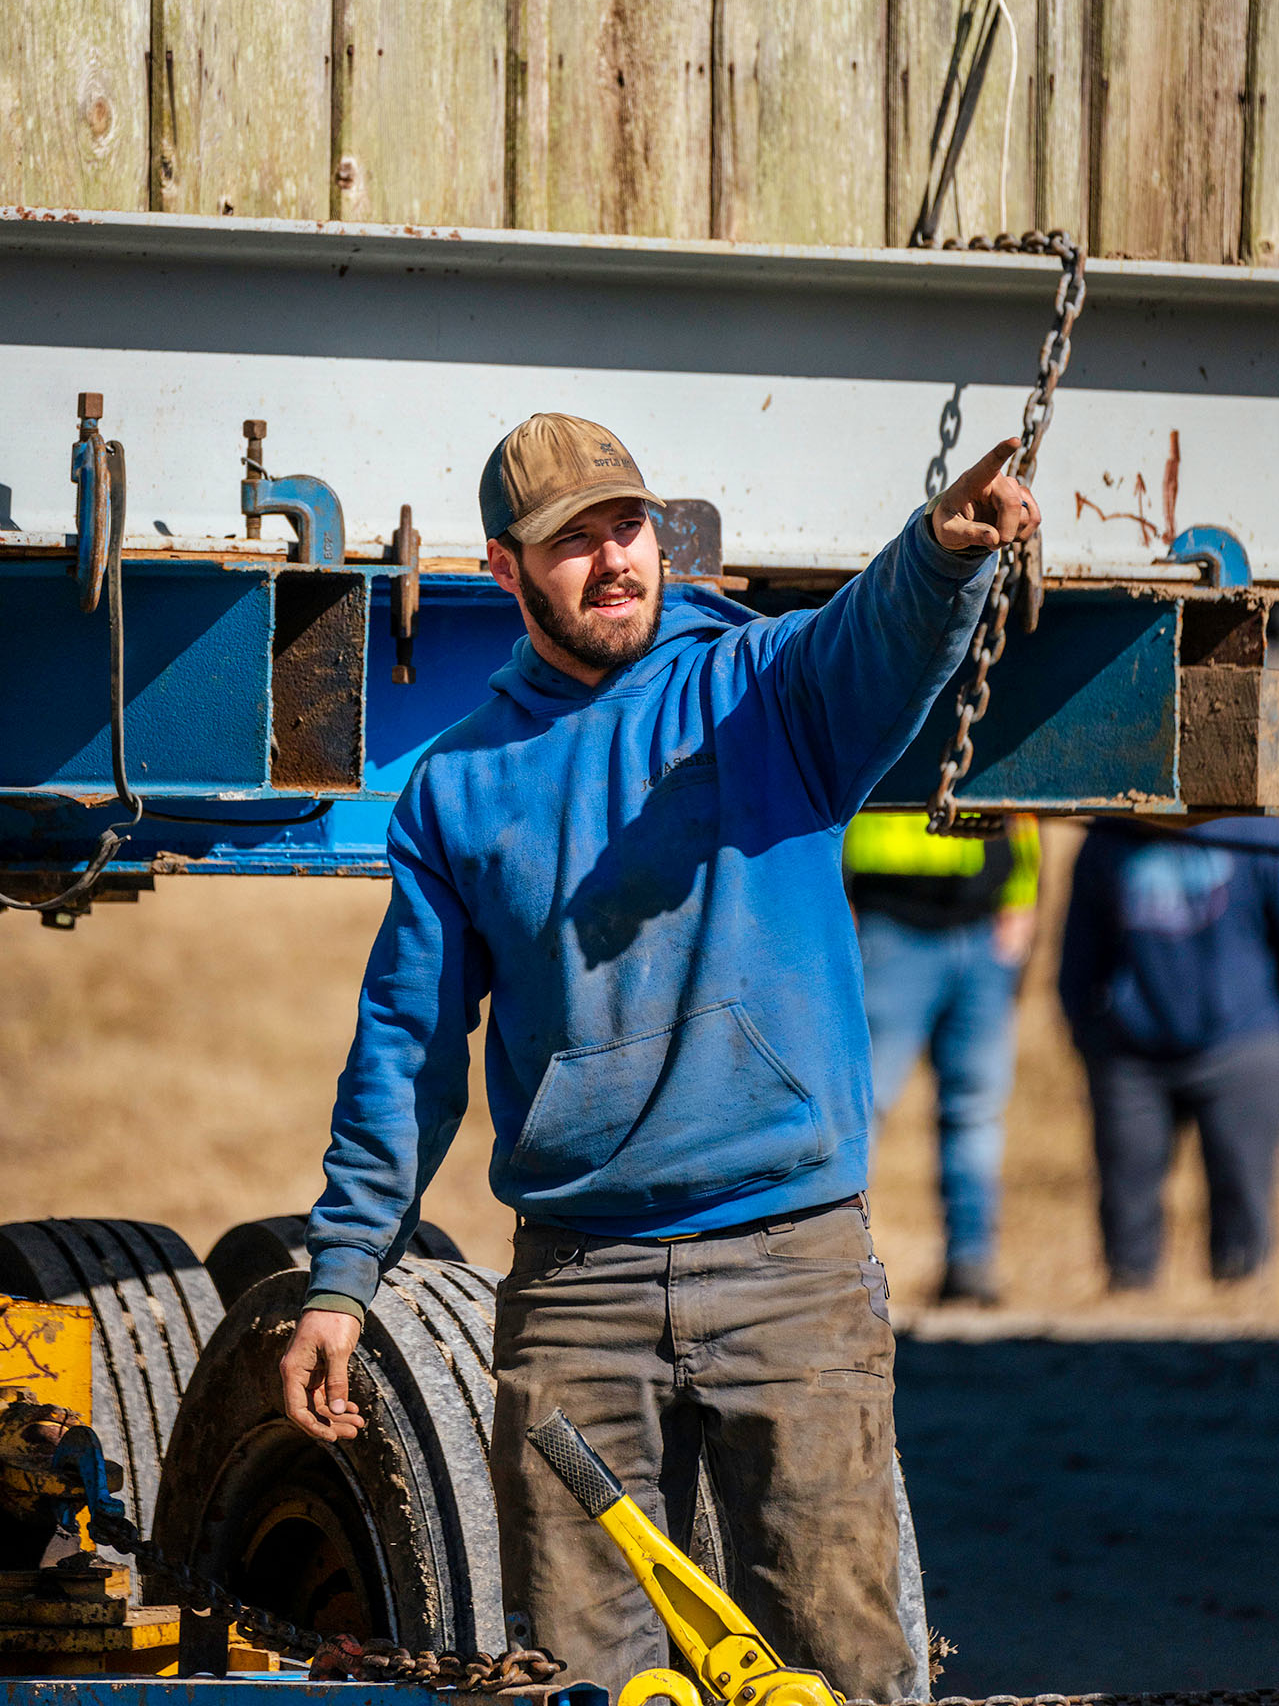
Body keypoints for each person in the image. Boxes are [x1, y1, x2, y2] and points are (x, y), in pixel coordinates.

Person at [278, 410, 1041, 1701]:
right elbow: (405, 1050)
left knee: (844, 1676)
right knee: (584, 1684)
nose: (615, 561)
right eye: (571, 544)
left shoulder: (759, 689)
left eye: (626, 527)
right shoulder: (456, 790)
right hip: (579, 1296)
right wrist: (342, 1277)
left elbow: (876, 640)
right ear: (502, 573)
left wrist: (941, 556)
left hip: (789, 1270)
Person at [1059, 815, 1279, 1289]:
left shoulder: (1258, 831)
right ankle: (1127, 1317)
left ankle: (1240, 1319)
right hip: (1131, 1055)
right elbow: (1079, 950)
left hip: (1245, 1046)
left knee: (1243, 1197)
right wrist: (1087, 1033)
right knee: (1126, 1202)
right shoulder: (1110, 834)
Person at [843, 811, 1040, 1305]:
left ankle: (970, 1266)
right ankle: (838, 1265)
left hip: (985, 927)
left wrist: (1023, 900)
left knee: (976, 1109)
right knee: (862, 1109)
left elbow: (1025, 809)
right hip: (889, 923)